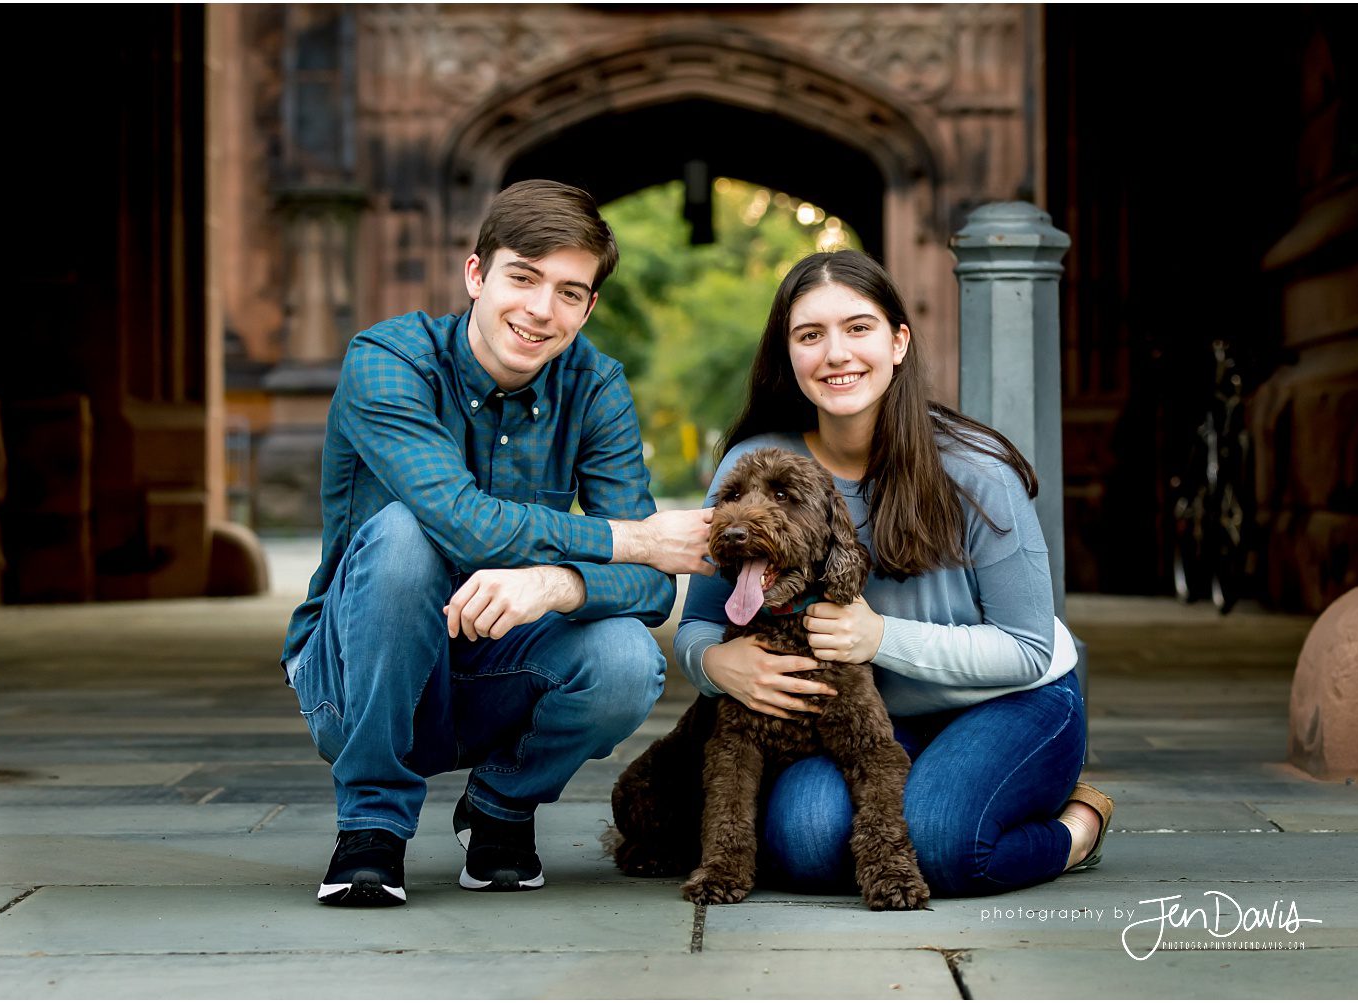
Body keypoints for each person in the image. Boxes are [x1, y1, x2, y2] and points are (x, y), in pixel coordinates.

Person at [283, 180, 713, 907]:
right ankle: (371, 824)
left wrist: (559, 583)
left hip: (496, 673)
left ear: (588, 307)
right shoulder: (388, 359)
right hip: (355, 682)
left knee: (627, 658)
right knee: (404, 534)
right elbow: (465, 522)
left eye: (570, 292)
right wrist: (623, 538)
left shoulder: (596, 385)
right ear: (476, 274)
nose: (542, 310)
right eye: (523, 277)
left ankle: (502, 807)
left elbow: (652, 583)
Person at [675, 249, 1113, 898]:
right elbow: (701, 622)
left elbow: (1028, 649)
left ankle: (1079, 823)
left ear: (898, 341)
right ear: (787, 355)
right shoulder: (756, 466)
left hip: (1011, 701)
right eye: (809, 335)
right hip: (876, 717)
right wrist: (714, 664)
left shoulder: (976, 470)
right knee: (804, 840)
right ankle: (953, 787)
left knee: (941, 845)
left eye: (858, 328)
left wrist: (879, 638)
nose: (835, 354)